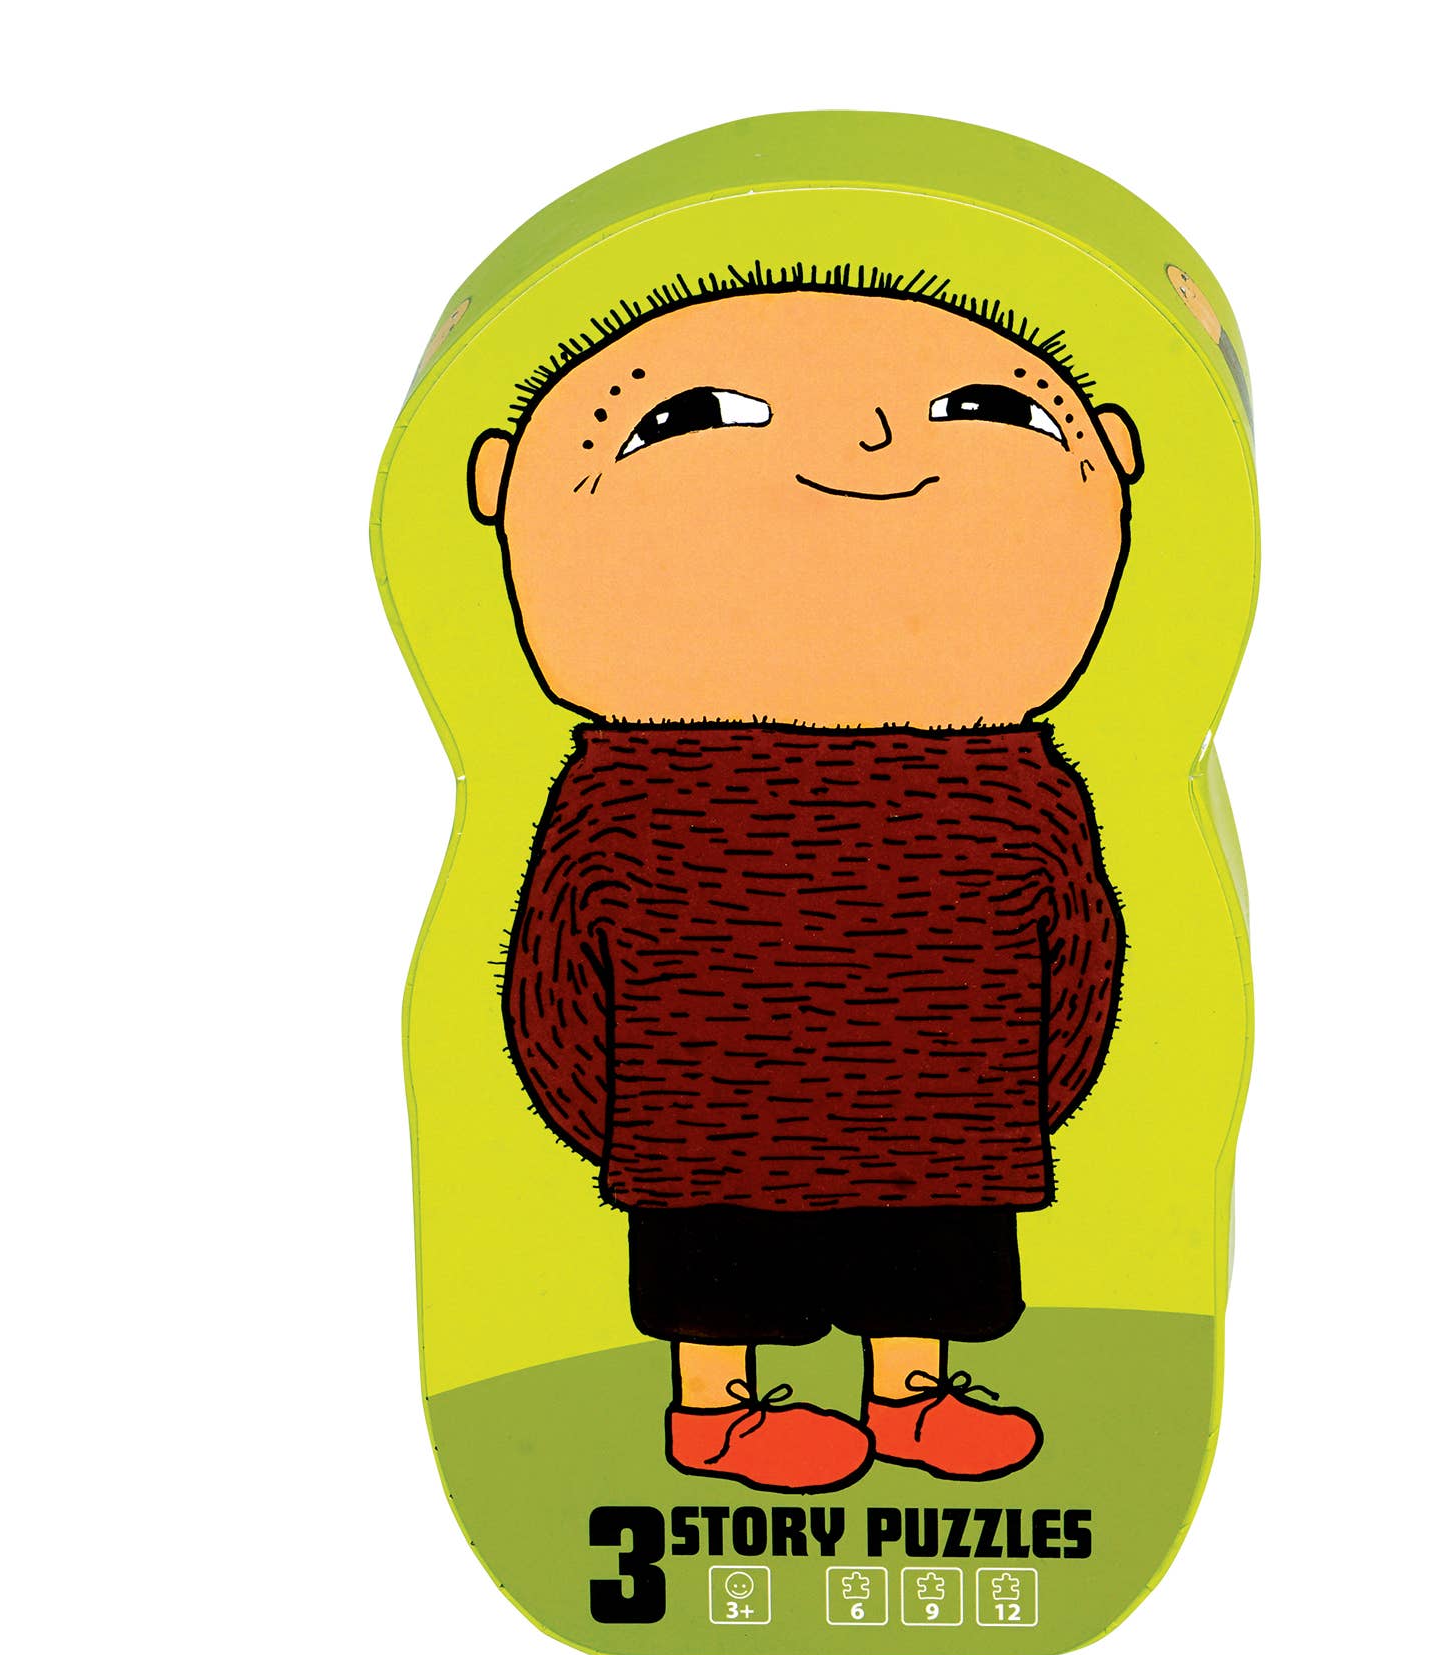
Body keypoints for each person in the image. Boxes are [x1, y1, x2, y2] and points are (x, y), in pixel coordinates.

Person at [469, 267, 1135, 1492]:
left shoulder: (1009, 778)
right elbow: (557, 970)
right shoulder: (627, 785)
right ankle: (715, 1413)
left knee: (925, 1255)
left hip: (926, 1118)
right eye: (690, 415)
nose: (870, 438)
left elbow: (1075, 943)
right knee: (723, 1266)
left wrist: (1024, 1097)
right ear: (500, 485)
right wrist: (609, 1117)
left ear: (1116, 458)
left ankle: (908, 1392)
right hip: (723, 1126)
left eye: (981, 407)